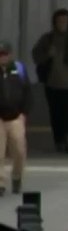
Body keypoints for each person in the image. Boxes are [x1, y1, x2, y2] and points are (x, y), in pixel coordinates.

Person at [33, 9, 68, 153]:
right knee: (56, 114)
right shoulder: (47, 39)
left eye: (65, 21)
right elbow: (36, 56)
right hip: (53, 83)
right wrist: (48, 54)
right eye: (60, 21)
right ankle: (59, 140)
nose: (62, 24)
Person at [0, 40, 30, 196]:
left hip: (15, 116)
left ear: (9, 55)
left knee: (19, 150)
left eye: (4, 54)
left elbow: (27, 92)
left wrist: (24, 113)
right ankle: (0, 183)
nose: (2, 58)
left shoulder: (19, 69)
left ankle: (17, 177)